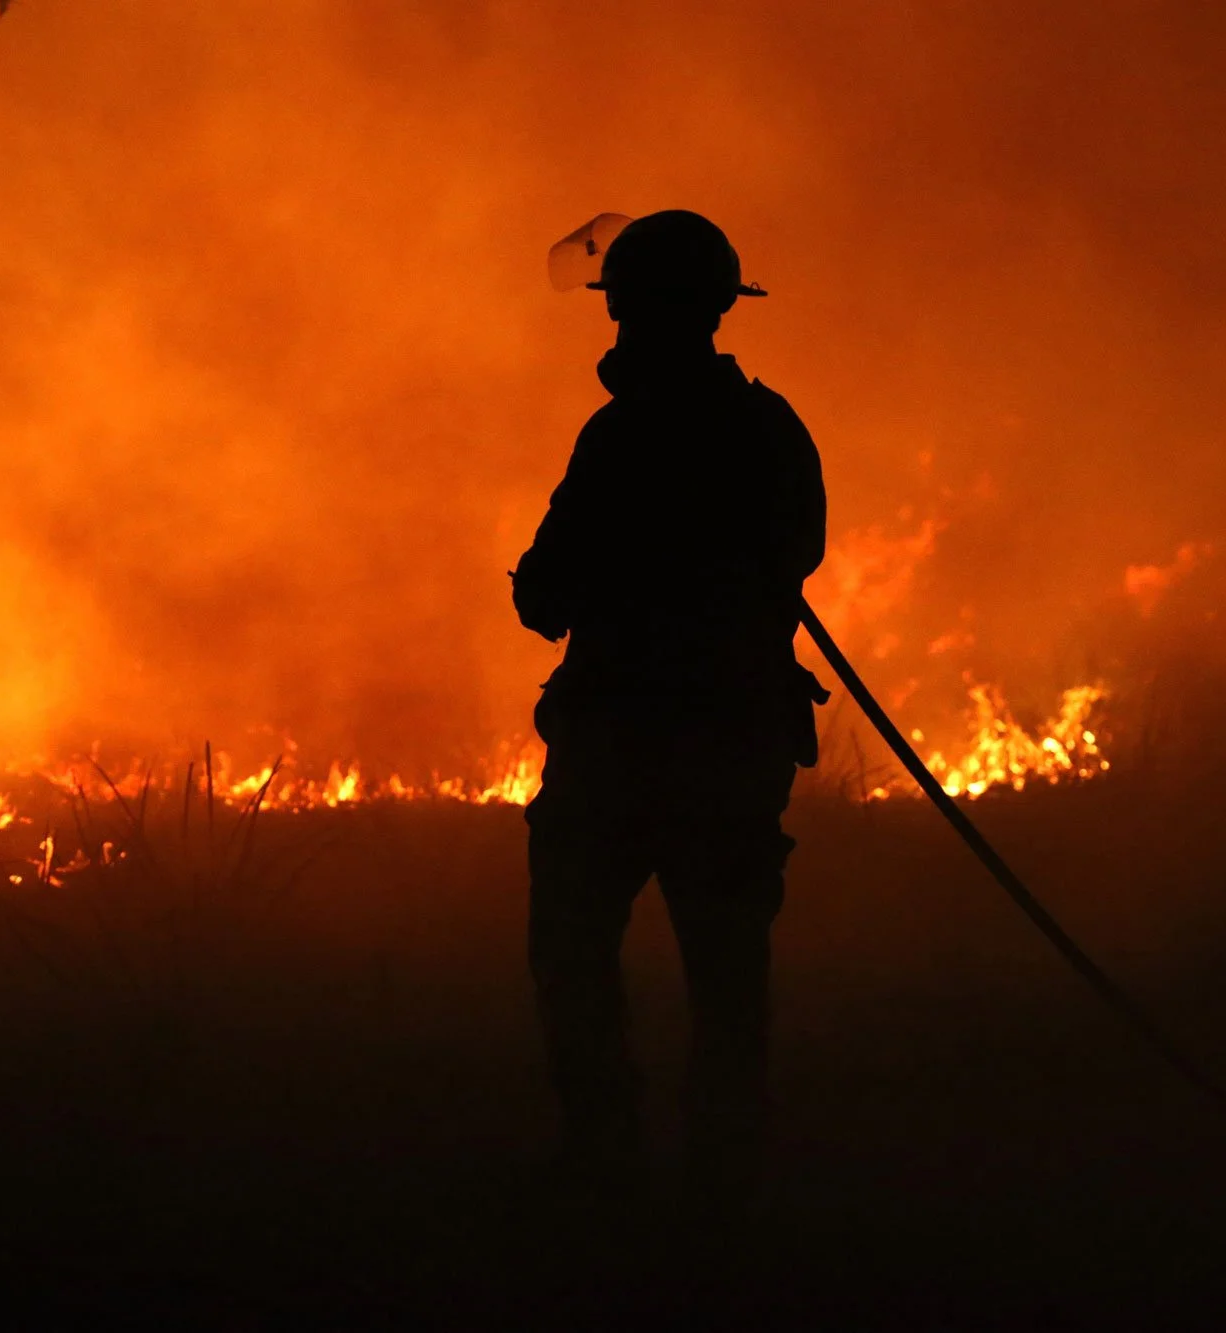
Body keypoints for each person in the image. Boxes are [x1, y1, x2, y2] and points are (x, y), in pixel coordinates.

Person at [512, 209, 827, 1225]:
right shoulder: (769, 430)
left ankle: (602, 1163)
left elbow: (546, 597)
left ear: (640, 314)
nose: (612, 330)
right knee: (728, 971)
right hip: (735, 744)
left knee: (572, 953)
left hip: (617, 744)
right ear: (719, 311)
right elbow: (798, 558)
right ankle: (723, 1181)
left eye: (620, 310)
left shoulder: (620, 433)